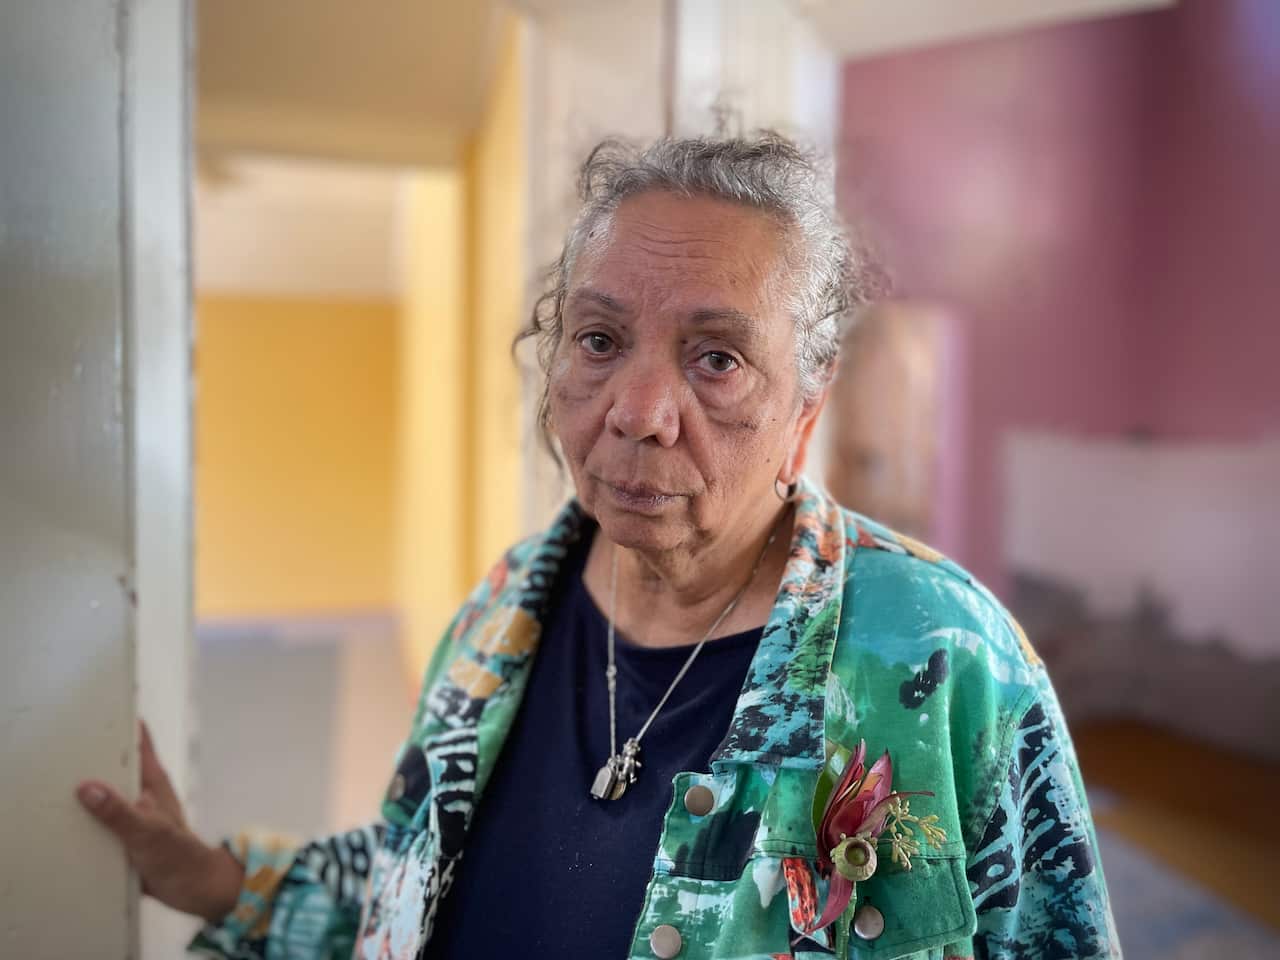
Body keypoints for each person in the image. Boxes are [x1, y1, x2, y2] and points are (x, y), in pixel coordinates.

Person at [78, 133, 1119, 959]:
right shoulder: (501, 613)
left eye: (715, 359)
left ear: (806, 402)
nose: (637, 411)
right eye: (597, 339)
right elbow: (409, 877)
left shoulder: (945, 664)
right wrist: (213, 880)